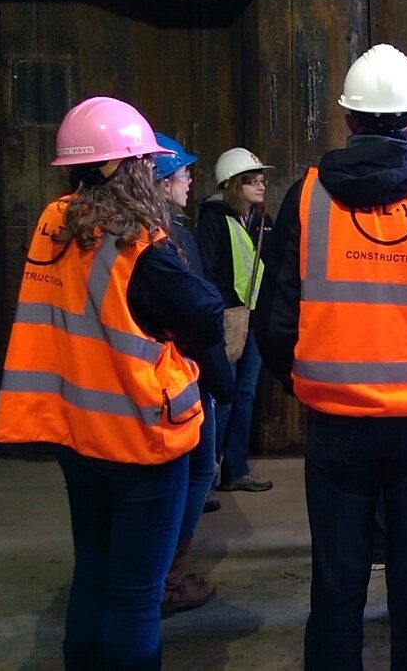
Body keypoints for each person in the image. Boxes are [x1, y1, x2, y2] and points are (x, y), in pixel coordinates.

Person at [254, 44, 407, 671]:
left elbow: (275, 322)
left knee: (336, 590)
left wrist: (310, 383)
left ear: (349, 121)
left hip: (336, 427)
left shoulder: (306, 199)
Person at [0, 97, 224, 670]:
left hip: (76, 433)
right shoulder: (138, 243)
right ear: (125, 166)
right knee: (135, 596)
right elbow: (203, 314)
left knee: (93, 572)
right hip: (140, 439)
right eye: (145, 159)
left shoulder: (54, 223)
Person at [153, 133, 238, 617]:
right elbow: (200, 312)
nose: (189, 181)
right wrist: (220, 378)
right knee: (193, 472)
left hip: (162, 379)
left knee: (193, 473)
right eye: (182, 174)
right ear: (162, 183)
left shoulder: (135, 230)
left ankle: (164, 573)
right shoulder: (175, 237)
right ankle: (167, 579)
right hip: (181, 380)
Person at [197, 146, 276, 494]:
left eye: (261, 181)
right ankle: (209, 471)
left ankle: (236, 468)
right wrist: (223, 310)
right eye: (252, 181)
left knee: (244, 394)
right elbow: (209, 269)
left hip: (255, 316)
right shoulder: (214, 218)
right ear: (232, 184)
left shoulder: (261, 220)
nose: (261, 187)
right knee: (224, 395)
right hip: (228, 317)